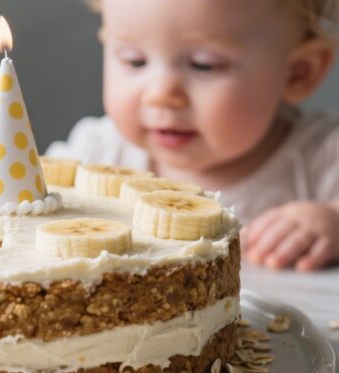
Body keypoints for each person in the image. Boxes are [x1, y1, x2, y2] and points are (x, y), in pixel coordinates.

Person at [47, 0, 339, 271]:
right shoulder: (96, 155)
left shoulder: (324, 156)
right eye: (135, 60)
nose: (160, 95)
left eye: (203, 64)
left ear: (298, 73)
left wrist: (332, 222)